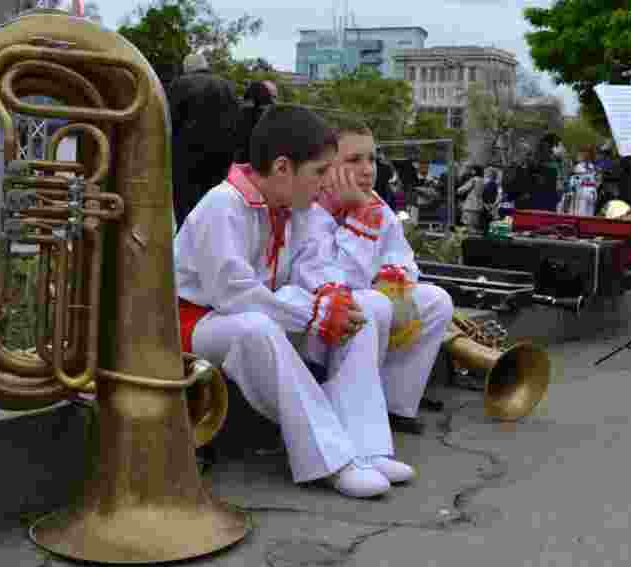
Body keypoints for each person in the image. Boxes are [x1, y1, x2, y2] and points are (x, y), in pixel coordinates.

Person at [174, 105, 412, 499]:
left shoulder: (295, 209)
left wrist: (333, 296)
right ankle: (331, 460)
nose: (325, 184)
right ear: (283, 167)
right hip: (194, 324)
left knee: (364, 309)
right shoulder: (223, 204)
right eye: (319, 172)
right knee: (257, 328)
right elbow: (232, 294)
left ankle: (367, 446)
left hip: (258, 313)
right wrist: (311, 312)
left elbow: (314, 267)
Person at [292, 115, 455, 436]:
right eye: (354, 160)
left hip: (366, 303)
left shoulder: (375, 203)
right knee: (368, 304)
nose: (368, 169)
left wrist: (396, 277)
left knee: (436, 300)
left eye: (372, 158)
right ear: (325, 167)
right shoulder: (307, 209)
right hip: (316, 321)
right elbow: (336, 281)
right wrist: (360, 219)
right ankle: (344, 408)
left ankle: (395, 403)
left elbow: (403, 257)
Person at [167, 53, 241, 230]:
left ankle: (188, 239)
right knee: (215, 200)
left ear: (187, 69)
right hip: (222, 154)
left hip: (187, 154)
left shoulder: (180, 84)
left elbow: (170, 120)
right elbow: (236, 119)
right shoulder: (227, 85)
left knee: (186, 203)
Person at [234, 80, 278, 164]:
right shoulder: (270, 117)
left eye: (275, 97)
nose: (274, 101)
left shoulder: (239, 111)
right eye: (272, 96)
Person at [457, 165, 486, 231]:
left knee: (468, 224)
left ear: (475, 171)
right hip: (478, 204)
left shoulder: (474, 179)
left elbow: (464, 189)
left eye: (472, 170)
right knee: (475, 224)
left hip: (470, 204)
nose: (471, 171)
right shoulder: (482, 180)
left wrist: (457, 190)